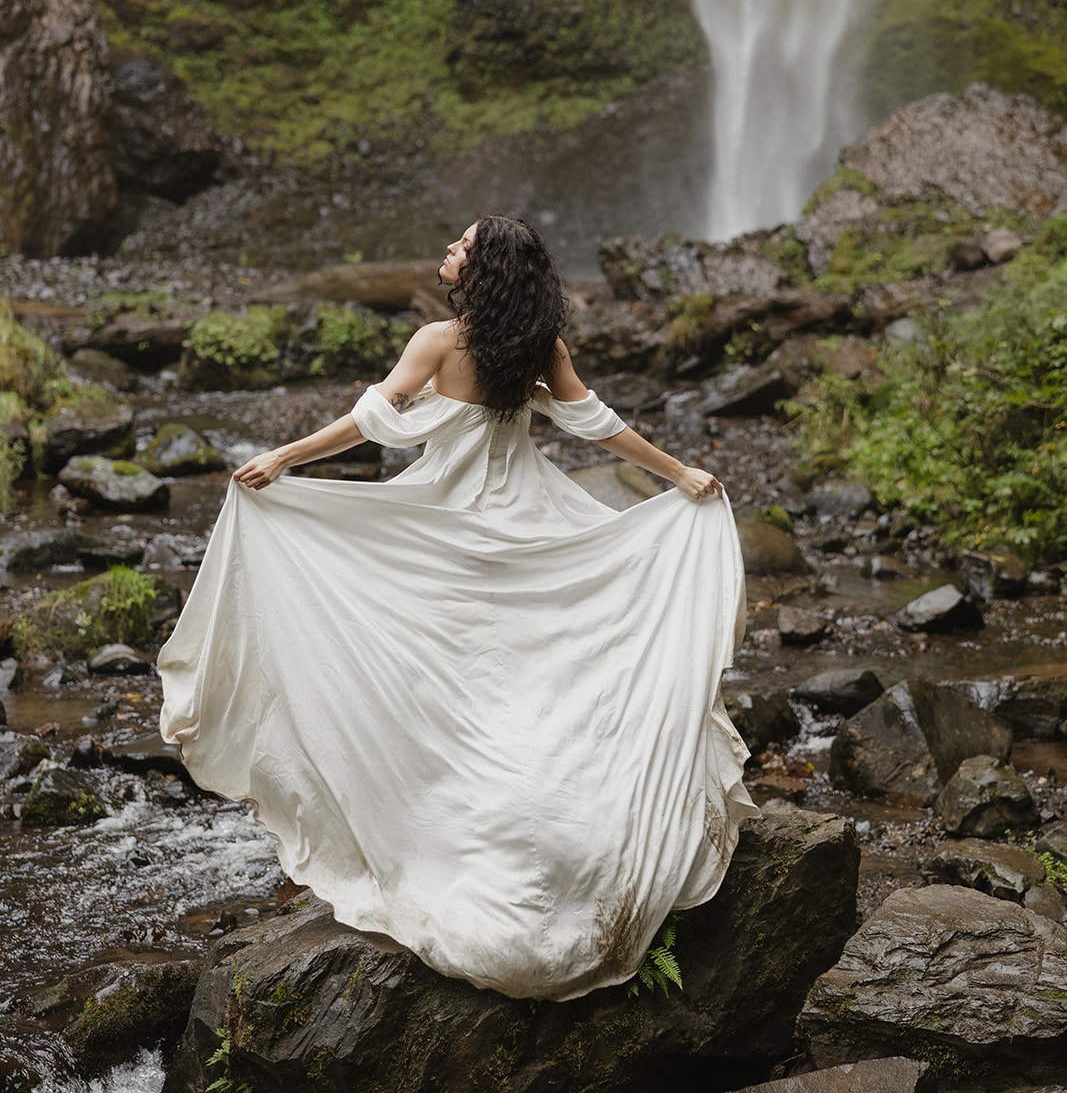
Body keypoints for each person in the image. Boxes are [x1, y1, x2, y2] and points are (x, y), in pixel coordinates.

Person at [158, 216, 757, 1002]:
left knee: (447, 684)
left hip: (444, 528)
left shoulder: (440, 340)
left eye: (460, 245)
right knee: (535, 676)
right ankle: (545, 832)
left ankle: (454, 833)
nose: (446, 251)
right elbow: (596, 426)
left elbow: (373, 422)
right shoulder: (539, 346)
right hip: (527, 525)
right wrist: (679, 473)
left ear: (482, 269)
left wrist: (285, 457)